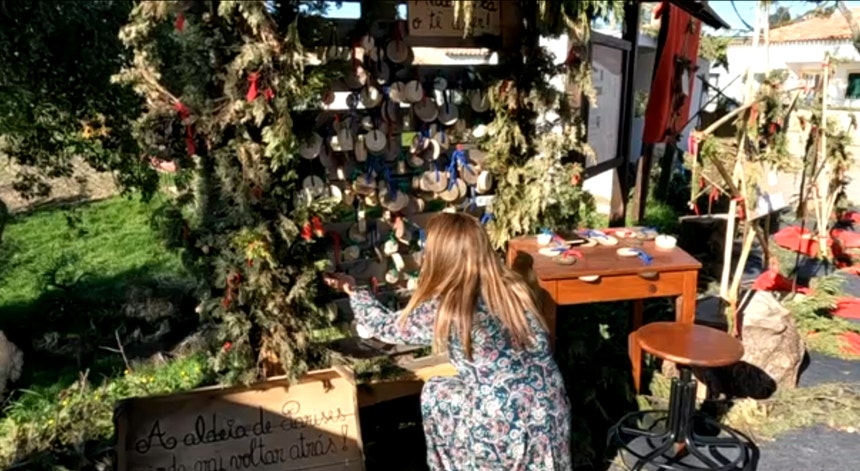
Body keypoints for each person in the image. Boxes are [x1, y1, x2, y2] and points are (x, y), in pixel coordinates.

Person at [324, 212, 572, 471]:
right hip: (551, 412)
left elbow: (383, 327)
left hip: (502, 424)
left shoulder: (451, 306)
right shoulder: (513, 289)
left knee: (436, 393)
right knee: (454, 388)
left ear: (441, 258)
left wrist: (353, 289)